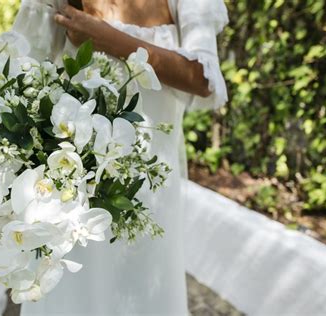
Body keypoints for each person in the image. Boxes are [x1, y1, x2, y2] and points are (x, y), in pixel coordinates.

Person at [13, 0, 229, 315]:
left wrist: (112, 41)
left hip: (149, 181)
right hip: (73, 180)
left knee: (142, 287)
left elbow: (202, 78)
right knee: (73, 288)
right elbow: (24, 71)